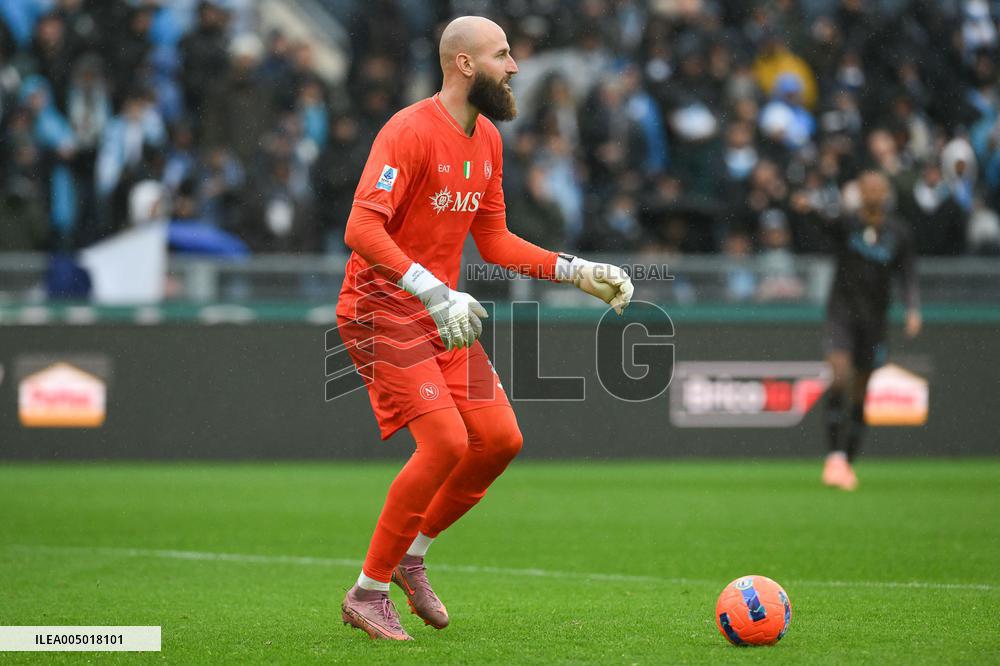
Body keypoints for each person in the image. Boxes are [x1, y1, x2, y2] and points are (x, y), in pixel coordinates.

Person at [334, 16, 633, 641]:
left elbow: (493, 241)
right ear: (465, 65)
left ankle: (412, 557)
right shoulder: (409, 131)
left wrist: (574, 270)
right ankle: (368, 591)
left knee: (498, 441)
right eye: (502, 55)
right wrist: (431, 287)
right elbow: (361, 230)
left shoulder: (489, 140)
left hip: (440, 313)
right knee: (443, 443)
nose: (515, 67)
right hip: (380, 309)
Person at [817, 171, 921, 491]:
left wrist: (912, 307)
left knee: (861, 390)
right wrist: (805, 207)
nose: (874, 193)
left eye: (879, 188)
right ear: (859, 192)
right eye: (868, 188)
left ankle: (847, 461)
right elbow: (820, 224)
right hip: (842, 314)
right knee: (838, 376)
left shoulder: (898, 232)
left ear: (886, 192)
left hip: (874, 320)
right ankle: (834, 457)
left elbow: (907, 274)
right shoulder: (847, 225)